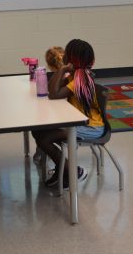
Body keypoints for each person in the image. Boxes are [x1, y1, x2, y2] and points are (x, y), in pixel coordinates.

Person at [32, 39, 104, 188]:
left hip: (90, 127)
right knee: (38, 130)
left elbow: (54, 94)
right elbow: (52, 89)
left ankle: (72, 171)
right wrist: (63, 71)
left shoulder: (81, 78)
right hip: (79, 122)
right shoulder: (76, 75)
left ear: (71, 59)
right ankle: (64, 170)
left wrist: (62, 70)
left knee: (45, 139)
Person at [32, 46, 65, 165]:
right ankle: (43, 152)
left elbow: (52, 94)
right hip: (62, 115)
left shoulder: (63, 78)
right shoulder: (61, 76)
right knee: (37, 129)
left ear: (49, 64)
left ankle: (65, 167)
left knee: (39, 128)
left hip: (67, 119)